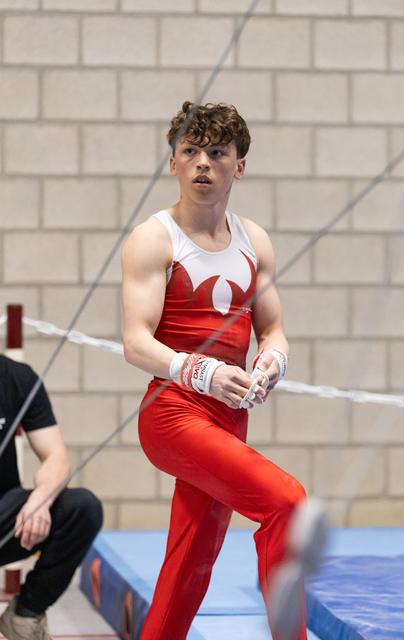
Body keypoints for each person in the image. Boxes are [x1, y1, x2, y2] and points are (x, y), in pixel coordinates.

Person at [121, 101, 307, 640]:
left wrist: (273, 359)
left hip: (229, 419)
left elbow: (272, 329)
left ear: (239, 166)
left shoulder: (254, 240)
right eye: (190, 151)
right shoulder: (155, 239)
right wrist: (196, 370)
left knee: (191, 565)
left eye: (217, 152)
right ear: (174, 163)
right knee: (286, 502)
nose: (203, 163)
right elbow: (135, 342)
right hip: (172, 414)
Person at [0, 353, 103, 640]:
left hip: (5, 517)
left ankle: (24, 616)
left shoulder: (18, 377)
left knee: (81, 508)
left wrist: (41, 499)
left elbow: (56, 456)